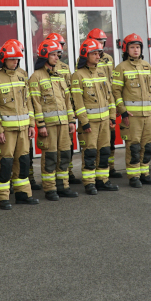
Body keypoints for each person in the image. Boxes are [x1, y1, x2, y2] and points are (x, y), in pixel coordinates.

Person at [0, 40, 38, 209]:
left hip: (23, 129)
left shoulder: (22, 75)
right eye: (12, 59)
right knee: (6, 164)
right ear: (4, 59)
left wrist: (31, 124)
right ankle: (3, 198)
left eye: (17, 59)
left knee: (23, 162)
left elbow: (28, 102)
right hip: (6, 131)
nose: (15, 61)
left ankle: (23, 194)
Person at [29, 38, 78, 201]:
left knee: (64, 155)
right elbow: (35, 104)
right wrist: (40, 125)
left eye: (58, 54)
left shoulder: (59, 76)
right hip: (48, 126)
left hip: (63, 125)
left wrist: (71, 121)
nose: (57, 58)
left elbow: (67, 101)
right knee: (50, 157)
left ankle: (63, 186)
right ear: (45, 55)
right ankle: (50, 189)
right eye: (54, 55)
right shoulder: (36, 77)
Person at [112, 34, 151, 187]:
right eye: (132, 47)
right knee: (134, 146)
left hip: (148, 115)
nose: (135, 50)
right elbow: (116, 92)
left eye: (138, 47)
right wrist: (123, 111)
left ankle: (144, 174)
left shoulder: (147, 66)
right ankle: (133, 177)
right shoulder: (121, 67)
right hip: (132, 116)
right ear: (126, 50)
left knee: (147, 146)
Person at [71, 39, 118, 193]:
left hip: (104, 121)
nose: (98, 57)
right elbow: (78, 102)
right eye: (95, 54)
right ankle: (89, 183)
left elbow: (109, 97)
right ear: (86, 55)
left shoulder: (101, 72)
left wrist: (112, 117)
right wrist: (84, 122)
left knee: (104, 151)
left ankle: (103, 180)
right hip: (90, 124)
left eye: (99, 53)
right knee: (90, 153)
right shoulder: (77, 75)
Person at [86, 28, 122, 179]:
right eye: (97, 42)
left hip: (108, 102)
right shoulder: (85, 59)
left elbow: (112, 81)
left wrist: (116, 105)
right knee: (93, 144)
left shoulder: (108, 58)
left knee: (110, 139)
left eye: (102, 42)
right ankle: (94, 171)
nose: (100, 45)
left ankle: (109, 168)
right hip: (94, 105)